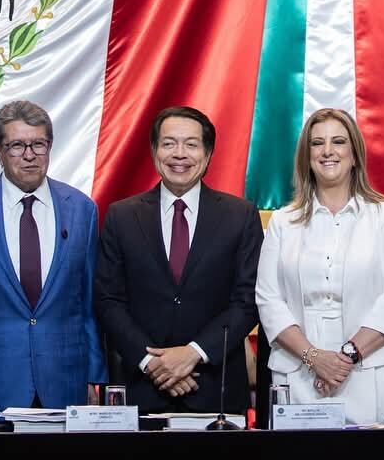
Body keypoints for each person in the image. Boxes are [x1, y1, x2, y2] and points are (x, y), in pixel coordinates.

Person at [0, 100, 104, 422]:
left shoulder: (82, 209)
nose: (29, 155)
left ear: (50, 146)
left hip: (66, 379)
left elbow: (90, 303)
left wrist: (95, 375)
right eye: (16, 146)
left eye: (38, 144)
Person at [96, 106, 263, 413]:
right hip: (142, 388)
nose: (179, 154)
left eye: (191, 144)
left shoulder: (240, 216)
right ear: (154, 150)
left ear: (208, 152)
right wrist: (153, 364)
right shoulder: (121, 216)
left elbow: (248, 300)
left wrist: (193, 353)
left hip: (216, 387)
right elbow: (108, 300)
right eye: (169, 143)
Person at [255, 108, 384, 424]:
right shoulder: (283, 222)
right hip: (297, 372)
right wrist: (315, 359)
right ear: (307, 156)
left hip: (369, 373)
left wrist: (344, 359)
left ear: (354, 154)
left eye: (338, 141)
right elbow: (268, 300)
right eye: (317, 143)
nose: (327, 151)